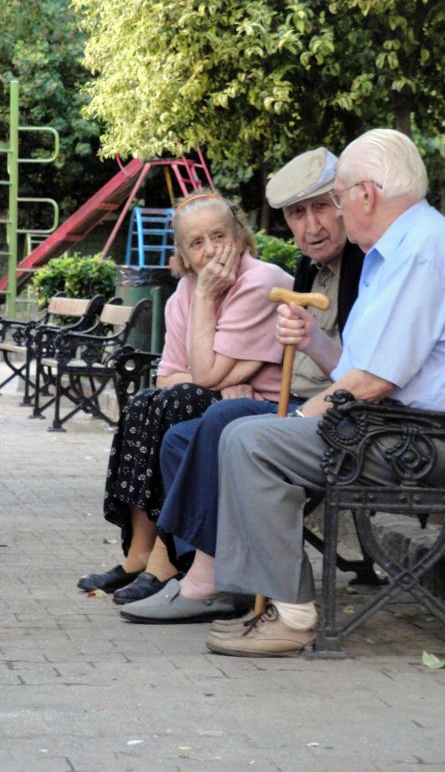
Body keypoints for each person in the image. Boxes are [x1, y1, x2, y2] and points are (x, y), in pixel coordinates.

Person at [201, 128, 445, 657]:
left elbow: (374, 381)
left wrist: (297, 422)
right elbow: (363, 368)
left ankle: (291, 616)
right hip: (401, 431)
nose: (336, 211)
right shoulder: (401, 250)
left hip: (428, 446)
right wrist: (315, 344)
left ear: (367, 194)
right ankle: (270, 601)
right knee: (245, 433)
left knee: (251, 441)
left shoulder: (422, 252)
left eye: (336, 198)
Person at [116, 147, 364, 621]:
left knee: (216, 414)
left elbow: (359, 372)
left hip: (331, 413)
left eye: (321, 208)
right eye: (296, 214)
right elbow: (176, 372)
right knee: (177, 438)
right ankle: (200, 570)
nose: (311, 226)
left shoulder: (360, 266)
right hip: (296, 403)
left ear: (345, 204)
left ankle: (203, 580)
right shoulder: (310, 266)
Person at [77, 190, 292, 596]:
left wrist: (208, 306)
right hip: (224, 400)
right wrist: (212, 375)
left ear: (241, 238)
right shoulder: (183, 295)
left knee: (183, 400)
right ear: (184, 255)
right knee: (144, 403)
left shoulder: (260, 280)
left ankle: (166, 558)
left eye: (219, 236)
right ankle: (139, 554)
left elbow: (201, 375)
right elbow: (168, 376)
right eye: (196, 243)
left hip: (266, 408)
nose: (210, 251)